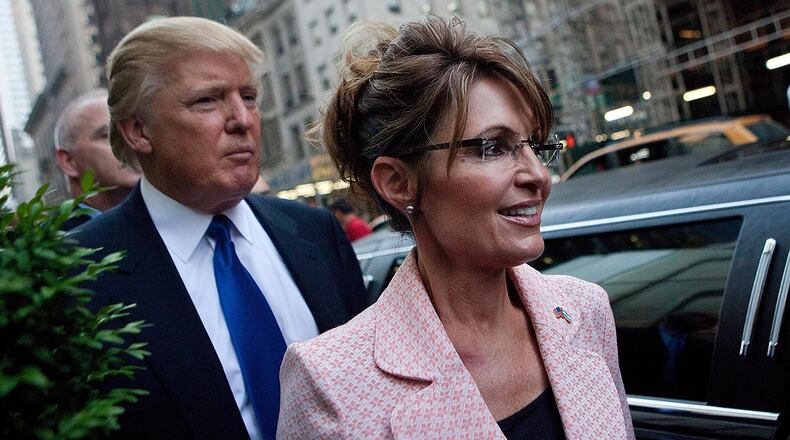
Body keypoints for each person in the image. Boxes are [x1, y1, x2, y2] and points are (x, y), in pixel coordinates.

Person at [278, 16, 635, 439]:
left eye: (536, 146)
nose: (538, 175)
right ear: (397, 182)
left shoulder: (583, 310)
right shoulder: (332, 380)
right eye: (491, 147)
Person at [71, 16, 368, 440]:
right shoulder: (82, 274)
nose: (242, 119)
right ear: (138, 130)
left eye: (248, 96)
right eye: (207, 101)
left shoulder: (315, 232)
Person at [53, 89, 140, 230]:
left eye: (135, 129)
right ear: (68, 162)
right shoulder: (53, 244)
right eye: (106, 135)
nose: (130, 142)